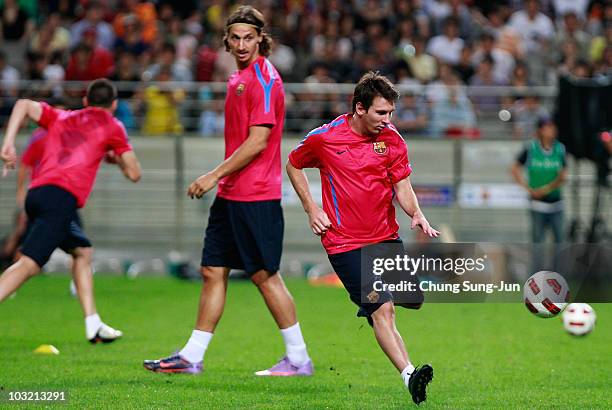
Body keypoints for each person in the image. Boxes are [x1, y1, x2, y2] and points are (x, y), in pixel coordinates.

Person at [143, 5, 312, 376]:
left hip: (257, 195)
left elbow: (257, 142)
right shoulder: (238, 78)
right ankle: (191, 356)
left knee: (265, 276)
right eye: (234, 38)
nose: (241, 44)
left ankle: (299, 359)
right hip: (232, 195)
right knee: (211, 270)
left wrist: (212, 176)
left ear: (260, 39)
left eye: (248, 38)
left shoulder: (265, 80)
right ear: (226, 40)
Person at [286, 72, 439, 404]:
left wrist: (416, 212)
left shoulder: (393, 139)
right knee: (383, 309)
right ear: (359, 108)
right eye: (381, 113)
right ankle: (410, 375)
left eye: (391, 113)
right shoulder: (325, 138)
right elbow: (294, 164)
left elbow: (402, 185)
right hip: (344, 243)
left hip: (384, 237)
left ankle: (372, 307)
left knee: (412, 299)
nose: (388, 120)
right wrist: (312, 208)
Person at [0, 79, 142, 343]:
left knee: (82, 251)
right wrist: (115, 158)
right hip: (61, 199)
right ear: (114, 104)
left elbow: (22, 105)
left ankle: (93, 324)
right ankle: (92, 323)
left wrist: (8, 144)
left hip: (39, 193)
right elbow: (135, 173)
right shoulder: (113, 126)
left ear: (86, 101)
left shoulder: (61, 116)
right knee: (29, 265)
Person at [511, 117, 567, 245]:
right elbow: (514, 169)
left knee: (560, 240)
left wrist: (546, 189)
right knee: (537, 241)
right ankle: (537, 266)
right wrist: (528, 188)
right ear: (540, 130)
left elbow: (562, 176)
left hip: (556, 203)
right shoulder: (531, 148)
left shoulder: (559, 149)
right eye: (547, 127)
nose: (551, 130)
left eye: (553, 127)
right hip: (537, 205)